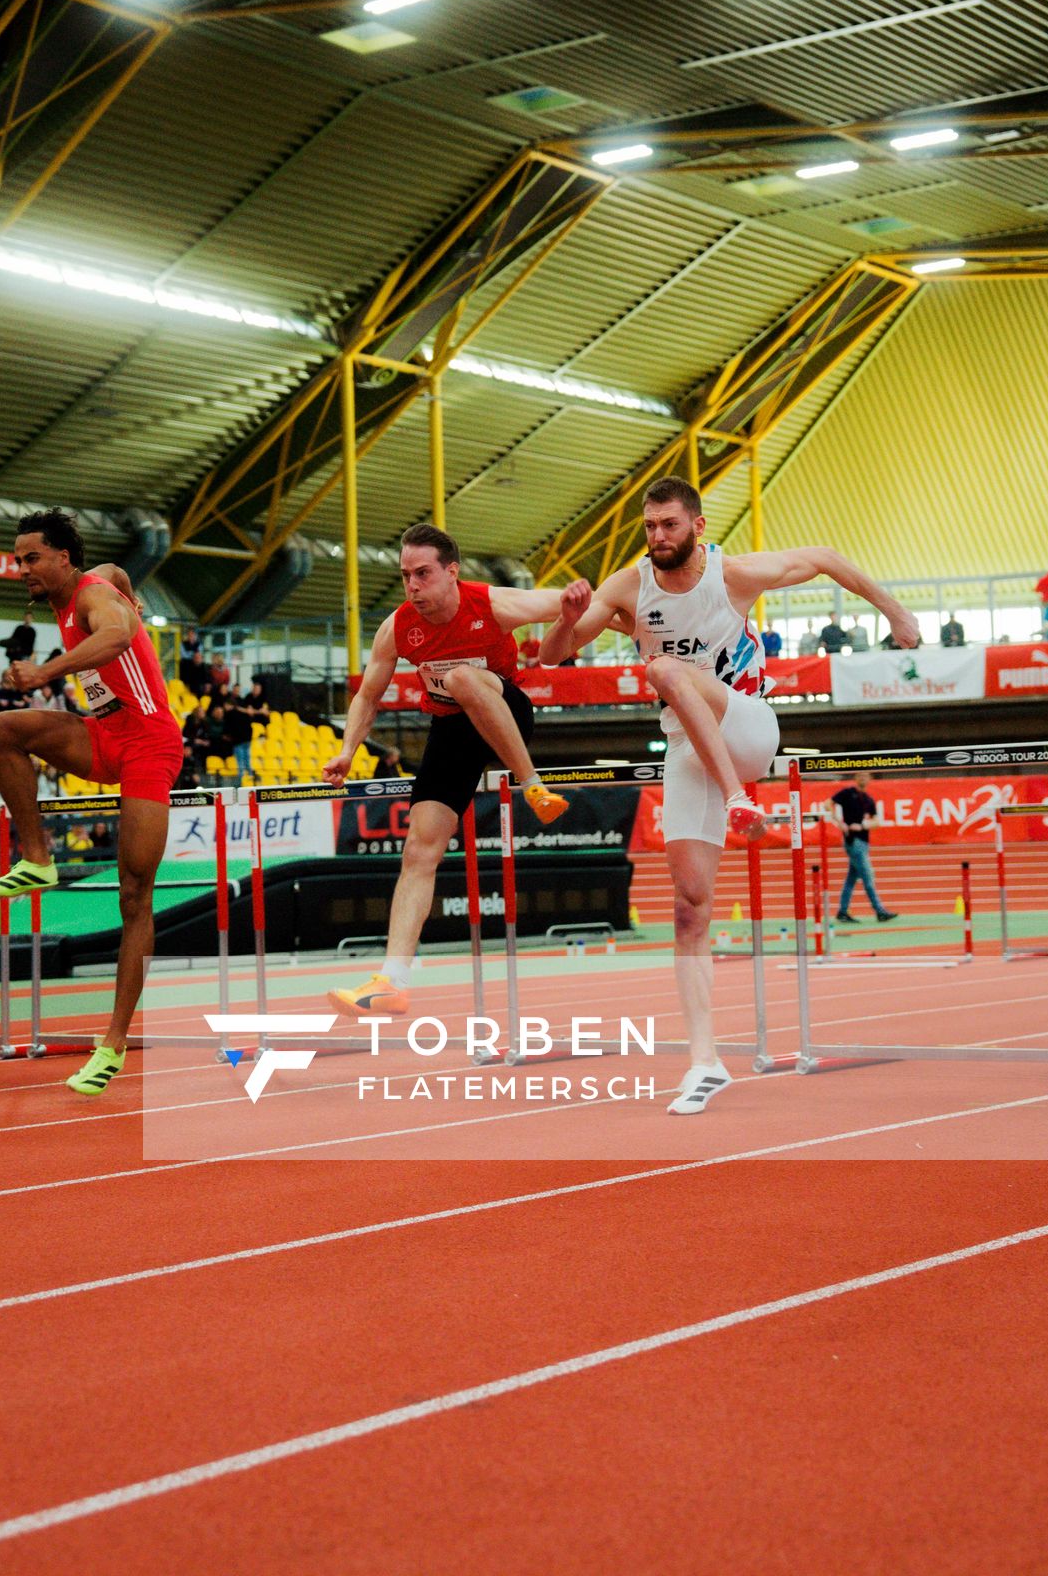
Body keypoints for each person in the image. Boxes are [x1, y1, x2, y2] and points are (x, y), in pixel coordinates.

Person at [536, 477, 919, 1115]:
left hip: (746, 727)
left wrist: (894, 612)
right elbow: (552, 657)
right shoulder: (628, 587)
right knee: (689, 907)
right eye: (649, 526)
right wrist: (569, 619)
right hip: (689, 748)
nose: (657, 537)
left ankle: (741, 799)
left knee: (663, 669)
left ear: (698, 527)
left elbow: (823, 556)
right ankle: (705, 1062)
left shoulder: (732, 576)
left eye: (669, 526)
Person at [323, 522, 574, 1022]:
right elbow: (368, 695)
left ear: (451, 572)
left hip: (507, 709)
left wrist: (620, 615)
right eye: (405, 576)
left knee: (462, 676)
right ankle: (392, 982)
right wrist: (348, 750)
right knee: (419, 847)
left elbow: (570, 607)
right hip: (451, 731)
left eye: (422, 574)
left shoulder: (493, 604)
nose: (412, 586)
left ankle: (533, 785)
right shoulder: (397, 627)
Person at [0, 508, 183, 1098]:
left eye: (31, 558)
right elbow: (117, 569)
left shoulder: (90, 600)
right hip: (104, 735)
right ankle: (38, 858)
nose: (23, 570)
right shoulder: (92, 586)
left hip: (149, 745)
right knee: (1, 729)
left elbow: (117, 633)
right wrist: (130, 587)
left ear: (63, 559)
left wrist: (47, 671)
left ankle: (112, 1045)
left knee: (133, 894)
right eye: (18, 560)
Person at [831, 773, 898, 925]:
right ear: (856, 778)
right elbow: (828, 804)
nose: (862, 778)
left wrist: (862, 825)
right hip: (853, 841)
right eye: (860, 776)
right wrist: (839, 822)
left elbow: (876, 821)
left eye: (865, 776)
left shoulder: (868, 800)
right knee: (868, 878)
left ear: (869, 779)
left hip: (863, 841)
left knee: (851, 879)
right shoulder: (848, 793)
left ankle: (842, 911)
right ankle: (879, 911)